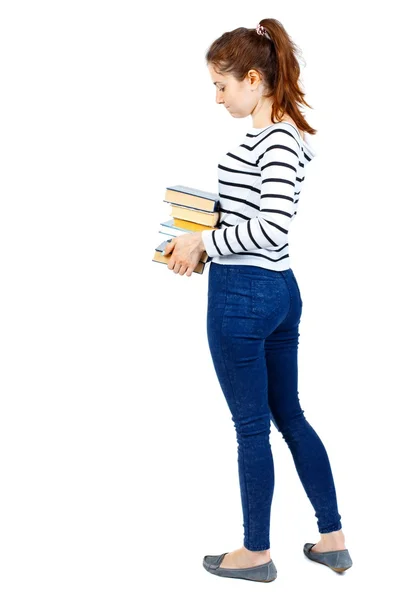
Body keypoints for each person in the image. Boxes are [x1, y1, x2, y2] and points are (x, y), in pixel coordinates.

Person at [163, 19, 353, 582]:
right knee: (288, 416)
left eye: (222, 85)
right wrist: (196, 245)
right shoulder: (270, 139)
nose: (216, 97)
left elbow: (271, 228)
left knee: (252, 429)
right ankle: (333, 540)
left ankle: (256, 553)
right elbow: (250, 221)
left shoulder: (277, 142)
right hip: (278, 292)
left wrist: (206, 242)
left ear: (253, 79)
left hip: (245, 297)